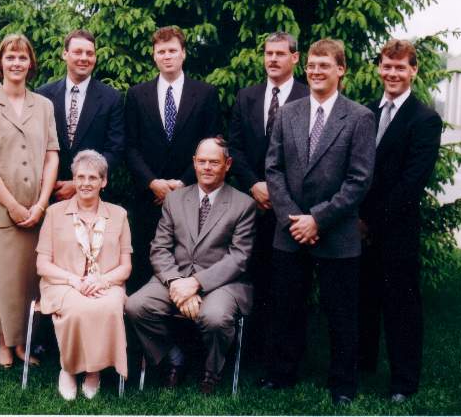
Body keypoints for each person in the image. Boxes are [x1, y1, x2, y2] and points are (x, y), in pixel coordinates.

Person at [263, 39, 376, 406]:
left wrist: (318, 219)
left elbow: (359, 180)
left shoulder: (358, 117)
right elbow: (274, 168)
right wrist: (293, 217)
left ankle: (343, 384)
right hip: (290, 227)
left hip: (336, 231)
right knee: (286, 308)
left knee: (341, 313)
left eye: (324, 65)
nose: (315, 71)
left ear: (341, 69)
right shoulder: (288, 113)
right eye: (311, 64)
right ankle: (282, 375)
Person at [126, 137, 256, 395]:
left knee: (215, 317)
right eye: (202, 161)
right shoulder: (175, 200)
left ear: (227, 164)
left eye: (214, 162)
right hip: (176, 278)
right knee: (135, 306)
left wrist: (196, 283)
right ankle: (172, 358)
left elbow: (239, 257)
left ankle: (211, 369)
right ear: (194, 164)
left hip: (222, 283)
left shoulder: (243, 204)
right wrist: (175, 283)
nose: (207, 167)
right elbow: (160, 247)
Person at [358, 39, 442, 403]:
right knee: (364, 299)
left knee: (401, 306)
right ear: (379, 68)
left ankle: (403, 382)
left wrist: (370, 221)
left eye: (400, 67)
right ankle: (362, 366)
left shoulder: (424, 120)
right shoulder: (366, 113)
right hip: (358, 228)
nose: (392, 73)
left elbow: (412, 183)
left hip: (397, 229)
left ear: (413, 71)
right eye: (387, 66)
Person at [0, 34, 59, 369]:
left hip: (36, 210)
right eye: (10, 57)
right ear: (0, 63)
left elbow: (52, 157)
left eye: (22, 57)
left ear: (31, 63)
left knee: (29, 282)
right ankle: (4, 345)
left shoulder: (44, 105)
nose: (17, 63)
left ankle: (23, 344)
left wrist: (40, 204)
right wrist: (13, 205)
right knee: (3, 283)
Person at [228, 31, 308, 362]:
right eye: (267, 53)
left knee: (290, 284)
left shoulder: (308, 96)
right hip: (252, 203)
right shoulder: (247, 96)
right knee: (254, 276)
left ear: (295, 58)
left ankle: (288, 355)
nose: (272, 59)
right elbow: (234, 145)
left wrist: (277, 192)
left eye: (279, 53)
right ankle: (253, 353)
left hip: (291, 207)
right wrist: (253, 184)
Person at [125, 25, 220, 293]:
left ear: (183, 54)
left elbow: (212, 146)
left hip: (192, 195)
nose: (167, 56)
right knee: (145, 267)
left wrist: (182, 184)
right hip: (149, 198)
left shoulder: (205, 94)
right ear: (154, 56)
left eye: (172, 50)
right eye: (161, 51)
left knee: (189, 262)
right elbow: (130, 147)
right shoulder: (136, 94)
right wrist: (152, 182)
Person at [36, 150, 132, 401]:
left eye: (92, 177)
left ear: (104, 181)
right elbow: (42, 264)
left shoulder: (119, 215)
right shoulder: (54, 212)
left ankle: (93, 371)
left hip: (106, 283)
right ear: (74, 179)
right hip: (62, 282)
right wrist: (74, 281)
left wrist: (103, 280)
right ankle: (68, 368)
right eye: (80, 177)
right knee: (78, 308)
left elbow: (126, 267)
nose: (86, 183)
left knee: (110, 306)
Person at [36, 30, 124, 201]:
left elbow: (115, 149)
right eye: (78, 52)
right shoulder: (43, 95)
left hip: (94, 195)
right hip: (51, 193)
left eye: (89, 53)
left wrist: (78, 183)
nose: (84, 58)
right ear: (65, 54)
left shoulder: (112, 98)